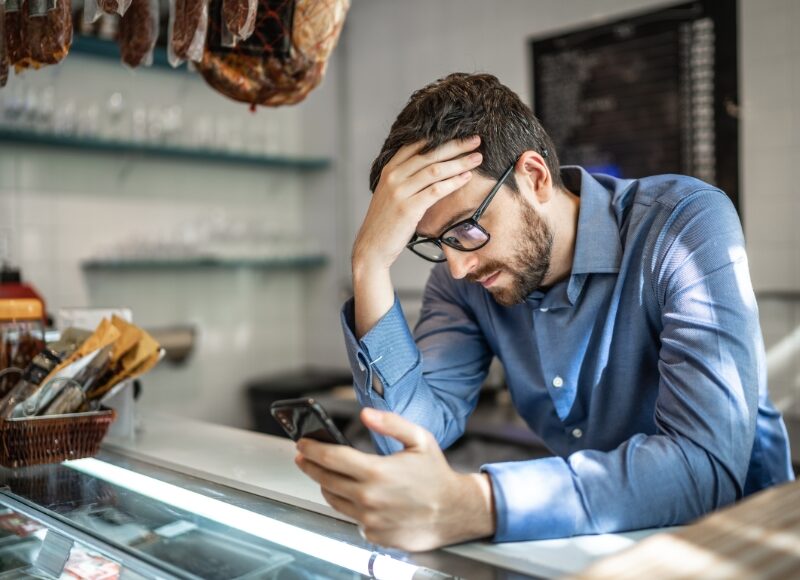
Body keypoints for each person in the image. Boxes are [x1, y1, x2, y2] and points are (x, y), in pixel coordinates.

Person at [294, 73, 794, 551]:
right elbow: (407, 436)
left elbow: (705, 468)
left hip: (741, 544)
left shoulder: (684, 224)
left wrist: (476, 504)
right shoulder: (461, 278)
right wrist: (370, 264)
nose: (458, 266)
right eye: (433, 243)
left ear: (533, 178)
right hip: (598, 545)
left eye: (467, 229)